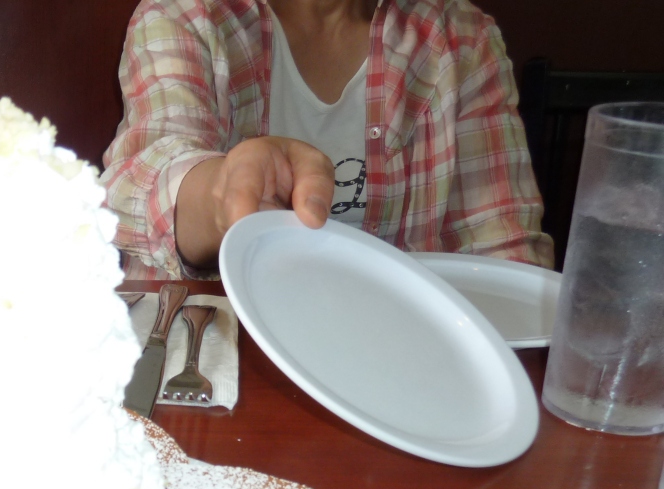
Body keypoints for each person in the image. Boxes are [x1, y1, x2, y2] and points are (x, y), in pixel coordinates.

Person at [100, 0, 554, 280]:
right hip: (228, 364)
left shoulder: (462, 38)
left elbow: (506, 258)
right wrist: (225, 194)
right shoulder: (185, 14)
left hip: (398, 362)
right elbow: (147, 179)